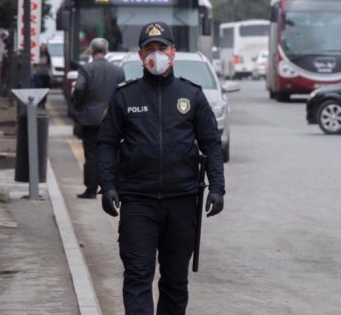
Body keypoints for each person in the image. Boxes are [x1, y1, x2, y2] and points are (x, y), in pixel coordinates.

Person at [97, 21, 225, 314]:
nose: (157, 54)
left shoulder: (191, 95)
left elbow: (211, 144)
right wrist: (108, 185)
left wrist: (217, 188)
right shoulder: (125, 96)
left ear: (173, 52)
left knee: (175, 282)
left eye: (162, 48)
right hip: (138, 203)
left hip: (181, 203)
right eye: (150, 48)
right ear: (141, 55)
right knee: (138, 277)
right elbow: (106, 143)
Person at [74, 37, 125, 199]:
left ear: (91, 50)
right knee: (112, 152)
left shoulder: (86, 69)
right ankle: (111, 186)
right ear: (107, 50)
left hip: (90, 119)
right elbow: (123, 93)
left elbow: (79, 88)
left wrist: (79, 106)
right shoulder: (118, 71)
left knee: (91, 154)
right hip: (111, 118)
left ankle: (91, 189)